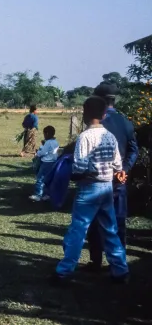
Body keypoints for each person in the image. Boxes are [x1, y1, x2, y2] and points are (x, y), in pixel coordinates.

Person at [52, 96, 129, 285]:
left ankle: (64, 271)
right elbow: (118, 164)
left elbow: (79, 167)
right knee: (110, 230)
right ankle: (120, 270)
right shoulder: (110, 137)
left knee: (78, 229)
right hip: (107, 188)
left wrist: (67, 171)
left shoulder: (85, 137)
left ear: (84, 113)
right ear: (104, 115)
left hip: (89, 188)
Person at [85, 83, 138, 272]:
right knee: (119, 221)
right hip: (119, 181)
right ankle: (120, 263)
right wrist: (124, 169)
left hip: (98, 180)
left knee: (94, 221)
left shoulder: (95, 123)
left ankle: (96, 261)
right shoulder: (125, 122)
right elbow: (133, 150)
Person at [29, 125, 59, 202]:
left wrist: (37, 152)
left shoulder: (48, 142)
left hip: (46, 163)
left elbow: (43, 152)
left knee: (40, 178)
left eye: (44, 134)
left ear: (47, 134)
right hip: (53, 162)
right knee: (48, 179)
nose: (44, 136)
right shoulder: (55, 142)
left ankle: (38, 195)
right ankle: (46, 194)